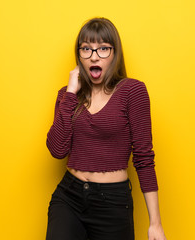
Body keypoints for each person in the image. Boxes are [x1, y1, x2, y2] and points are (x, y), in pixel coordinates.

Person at [45, 17, 167, 240]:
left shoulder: (133, 91)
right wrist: (71, 93)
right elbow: (57, 150)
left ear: (114, 53)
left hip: (113, 202)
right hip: (68, 197)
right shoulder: (67, 94)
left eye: (103, 48)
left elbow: (144, 157)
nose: (93, 56)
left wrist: (155, 223)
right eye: (86, 49)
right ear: (79, 55)